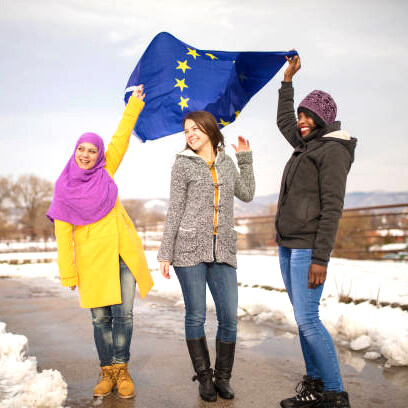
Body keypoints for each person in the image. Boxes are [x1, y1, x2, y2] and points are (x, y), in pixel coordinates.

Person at [47, 85, 154, 399]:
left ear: (99, 155)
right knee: (100, 318)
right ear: (75, 151)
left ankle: (122, 369)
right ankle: (106, 370)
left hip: (121, 254)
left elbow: (120, 136)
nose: (86, 155)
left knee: (124, 316)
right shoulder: (63, 188)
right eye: (82, 149)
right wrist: (68, 272)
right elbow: (62, 236)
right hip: (91, 260)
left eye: (92, 150)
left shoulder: (106, 171)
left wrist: (134, 103)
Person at [275, 55, 356, 408]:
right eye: (301, 116)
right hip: (289, 244)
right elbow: (283, 120)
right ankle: (317, 386)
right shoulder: (308, 143)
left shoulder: (333, 151)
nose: (301, 122)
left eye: (308, 117)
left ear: (322, 119)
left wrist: (321, 258)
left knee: (309, 319)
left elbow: (332, 208)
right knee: (302, 318)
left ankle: (336, 393)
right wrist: (287, 82)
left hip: (309, 249)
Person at [158, 111, 255, 402]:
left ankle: (223, 378)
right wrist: (165, 253)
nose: (190, 135)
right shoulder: (182, 165)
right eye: (186, 131)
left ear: (210, 130)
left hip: (223, 248)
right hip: (188, 249)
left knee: (229, 317)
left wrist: (246, 160)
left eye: (196, 129)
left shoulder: (226, 162)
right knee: (196, 315)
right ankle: (204, 377)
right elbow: (175, 209)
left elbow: (247, 193)